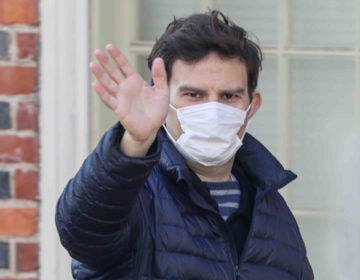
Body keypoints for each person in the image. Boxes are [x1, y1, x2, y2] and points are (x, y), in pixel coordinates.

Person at [56, 10, 313, 279]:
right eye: (194, 95)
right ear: (162, 100)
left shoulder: (273, 212)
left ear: (252, 106)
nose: (212, 110)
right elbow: (82, 233)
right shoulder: (135, 196)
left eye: (229, 96)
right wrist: (134, 143)